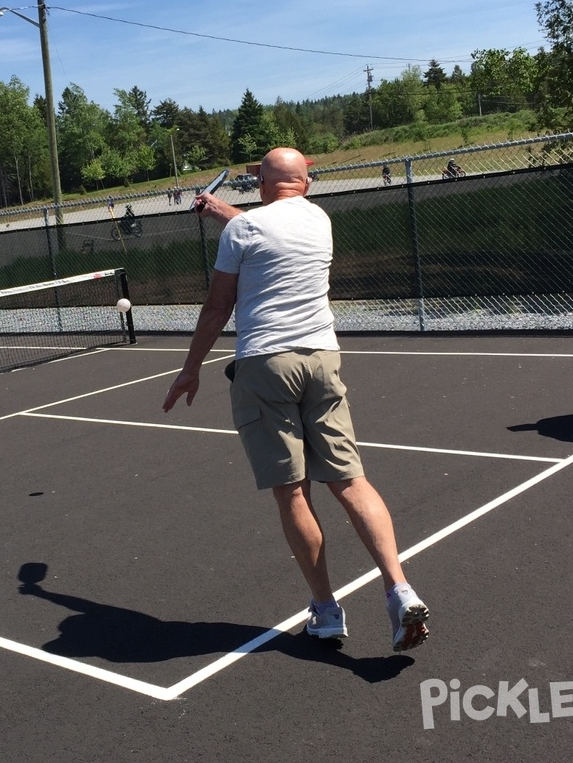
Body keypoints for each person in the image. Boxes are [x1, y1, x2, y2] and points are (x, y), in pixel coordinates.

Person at [162, 147, 430, 652]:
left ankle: (326, 610)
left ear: (262, 184)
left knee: (293, 491)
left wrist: (190, 369)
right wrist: (225, 213)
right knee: (350, 482)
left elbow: (220, 304)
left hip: (266, 365)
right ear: (306, 182)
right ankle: (399, 587)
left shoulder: (242, 231)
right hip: (322, 360)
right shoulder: (320, 220)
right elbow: (271, 230)